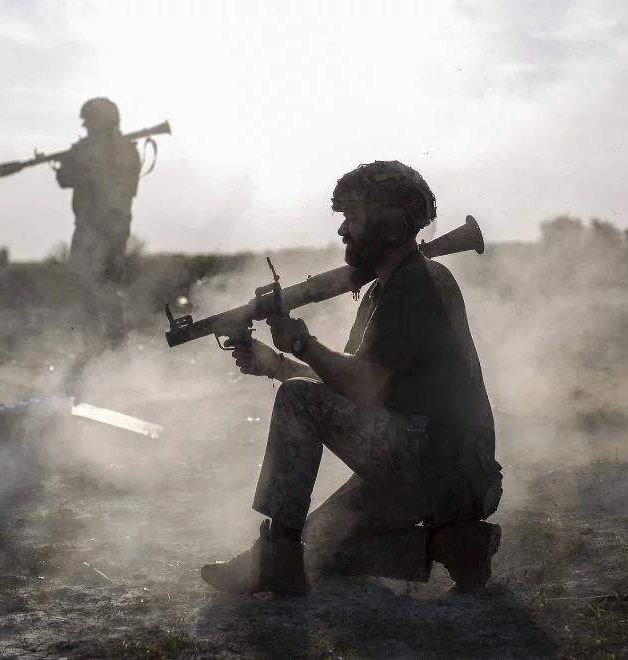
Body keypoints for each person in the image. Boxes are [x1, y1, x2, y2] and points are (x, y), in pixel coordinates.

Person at [200, 161, 503, 596]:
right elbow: (346, 385)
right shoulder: (388, 289)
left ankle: (277, 558)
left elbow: (361, 387)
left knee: (296, 401)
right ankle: (452, 546)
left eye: (353, 219)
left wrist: (302, 344)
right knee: (320, 544)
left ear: (392, 226)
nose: (344, 231)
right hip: (436, 465)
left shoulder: (415, 285)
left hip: (443, 462)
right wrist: (278, 363)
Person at [54, 97, 142, 357]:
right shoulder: (126, 148)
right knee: (103, 286)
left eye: (89, 121)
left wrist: (71, 164)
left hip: (95, 228)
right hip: (113, 226)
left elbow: (67, 178)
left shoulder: (101, 151)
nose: (86, 127)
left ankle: (102, 346)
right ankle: (112, 346)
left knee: (92, 284)